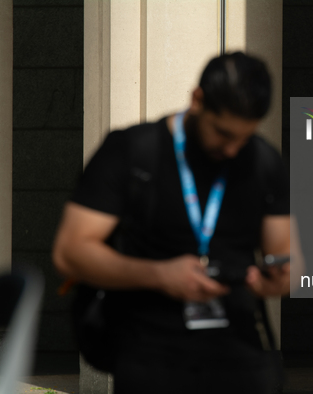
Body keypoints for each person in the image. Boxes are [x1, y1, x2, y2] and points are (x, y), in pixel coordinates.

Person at [52, 52, 291, 393]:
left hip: (239, 360)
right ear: (198, 100)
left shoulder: (263, 161)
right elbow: (70, 252)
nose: (233, 149)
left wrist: (275, 280)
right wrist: (160, 275)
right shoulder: (132, 150)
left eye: (245, 137)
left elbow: (285, 253)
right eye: (223, 133)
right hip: (151, 358)